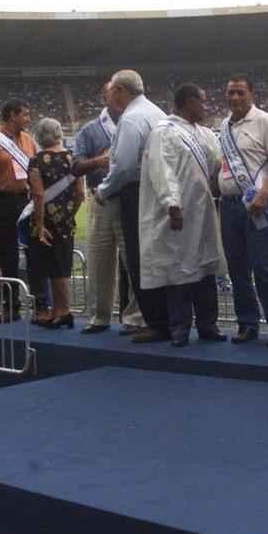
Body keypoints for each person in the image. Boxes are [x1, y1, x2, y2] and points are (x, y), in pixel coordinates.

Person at [140, 84, 227, 346]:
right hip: (180, 213)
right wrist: (172, 205)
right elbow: (162, 170)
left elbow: (214, 167)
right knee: (179, 271)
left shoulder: (205, 133)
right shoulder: (164, 132)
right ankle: (179, 328)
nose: (206, 106)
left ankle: (208, 324)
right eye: (202, 101)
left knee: (205, 268)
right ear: (188, 102)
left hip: (204, 212)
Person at [94, 70, 170, 342]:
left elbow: (124, 167)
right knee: (160, 254)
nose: (110, 96)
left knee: (139, 258)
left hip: (136, 192)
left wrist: (103, 189)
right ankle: (167, 318)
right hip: (160, 188)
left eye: (112, 91)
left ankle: (155, 322)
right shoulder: (158, 112)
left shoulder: (130, 119)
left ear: (121, 91)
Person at [218, 74, 268, 347]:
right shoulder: (224, 126)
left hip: (256, 205)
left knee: (264, 267)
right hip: (228, 206)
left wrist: (264, 193)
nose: (234, 98)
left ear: (251, 94)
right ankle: (247, 324)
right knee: (237, 269)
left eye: (240, 92)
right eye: (230, 92)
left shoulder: (264, 121)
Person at [72, 80, 145, 335]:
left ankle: (135, 317)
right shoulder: (90, 130)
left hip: (129, 198)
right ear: (105, 97)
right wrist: (99, 161)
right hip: (100, 199)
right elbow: (76, 166)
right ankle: (99, 316)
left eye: (118, 91)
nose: (115, 97)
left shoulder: (136, 122)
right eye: (110, 92)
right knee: (99, 260)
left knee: (134, 260)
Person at [0, 99, 39, 322]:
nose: (28, 119)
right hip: (2, 202)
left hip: (26, 201)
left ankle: (41, 305)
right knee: (7, 256)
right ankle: (11, 306)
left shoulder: (29, 141)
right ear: (12, 115)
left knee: (34, 252)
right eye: (25, 115)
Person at [26, 118, 83, 329]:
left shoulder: (36, 161)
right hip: (66, 221)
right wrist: (69, 214)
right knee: (62, 265)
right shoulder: (73, 159)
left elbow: (38, 195)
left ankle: (63, 311)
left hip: (45, 221)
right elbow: (80, 194)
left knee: (50, 267)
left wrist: (40, 225)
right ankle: (61, 310)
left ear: (39, 137)